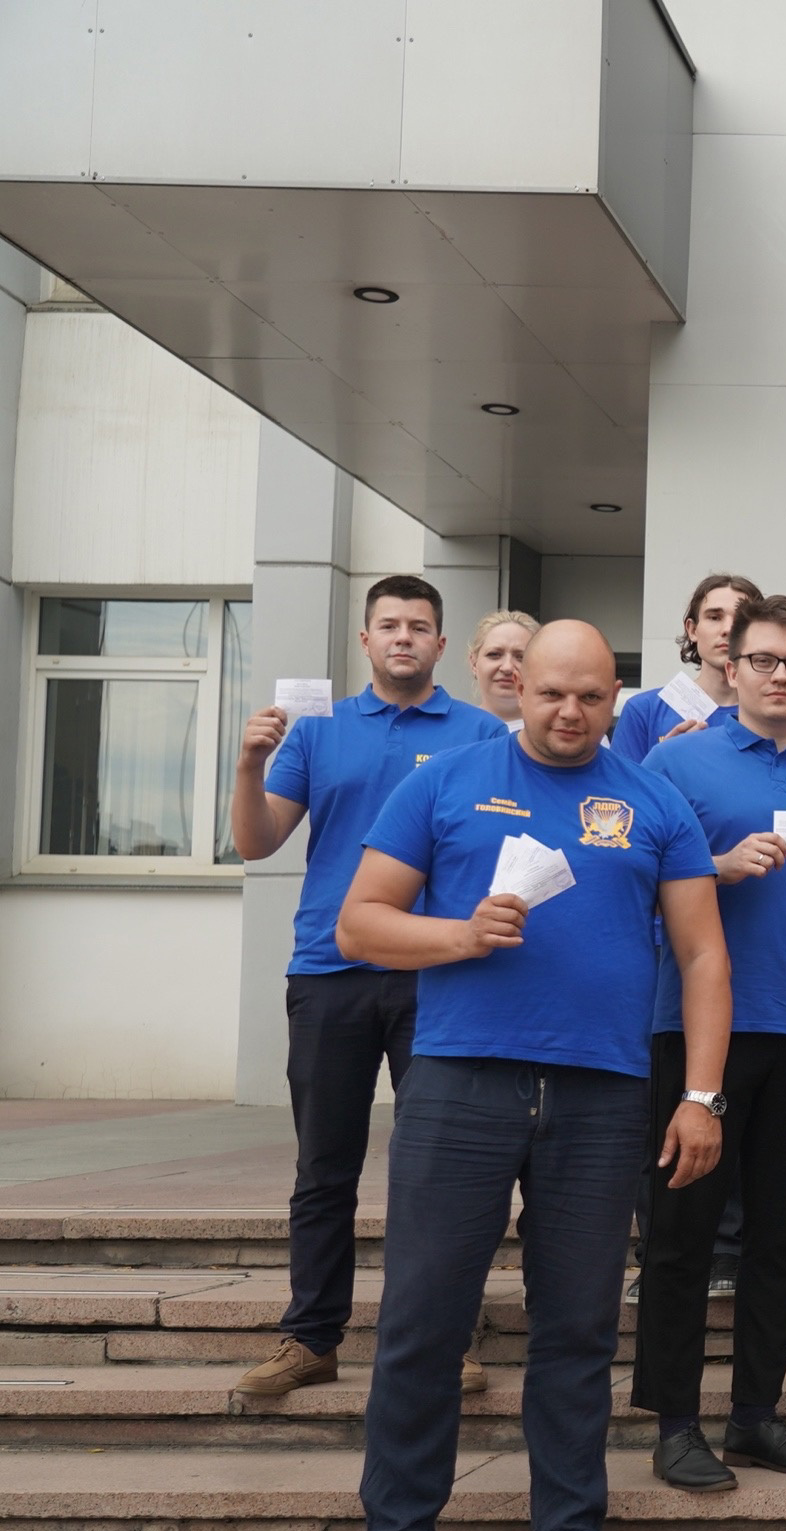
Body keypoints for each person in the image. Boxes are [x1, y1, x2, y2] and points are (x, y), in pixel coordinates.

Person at [339, 621, 727, 1531]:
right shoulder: (446, 782)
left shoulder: (653, 799)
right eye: (552, 693)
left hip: (602, 1093)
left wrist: (700, 1096)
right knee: (424, 1316)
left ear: (615, 696)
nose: (570, 713)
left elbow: (702, 956)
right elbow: (361, 922)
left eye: (591, 696)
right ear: (517, 686)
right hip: (461, 1082)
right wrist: (460, 934)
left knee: (580, 1324)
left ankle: (570, 1527)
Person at [630, 595, 786, 1492]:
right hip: (694, 1033)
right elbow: (628, 883)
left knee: (782, 1237)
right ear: (730, 668)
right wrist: (714, 866)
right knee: (682, 1236)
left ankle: (755, 1416)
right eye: (764, 660)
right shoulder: (675, 762)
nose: (781, 676)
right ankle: (674, 1424)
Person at [228, 574, 507, 1401]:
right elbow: (257, 843)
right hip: (330, 972)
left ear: (441, 644)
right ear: (365, 640)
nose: (403, 638)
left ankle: (446, 1338)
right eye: (389, 625)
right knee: (325, 1170)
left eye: (419, 626)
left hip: (440, 976)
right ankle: (311, 1339)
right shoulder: (317, 731)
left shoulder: (480, 733)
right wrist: (250, 763)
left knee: (442, 1171)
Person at [611, 573, 759, 761]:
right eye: (715, 617)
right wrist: (663, 761)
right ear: (692, 630)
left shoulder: (780, 715)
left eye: (741, 619)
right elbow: (620, 780)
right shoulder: (643, 710)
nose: (728, 629)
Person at [467, 609, 538, 723]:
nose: (507, 667)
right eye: (494, 654)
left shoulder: (555, 732)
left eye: (521, 657)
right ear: (474, 663)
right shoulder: (454, 728)